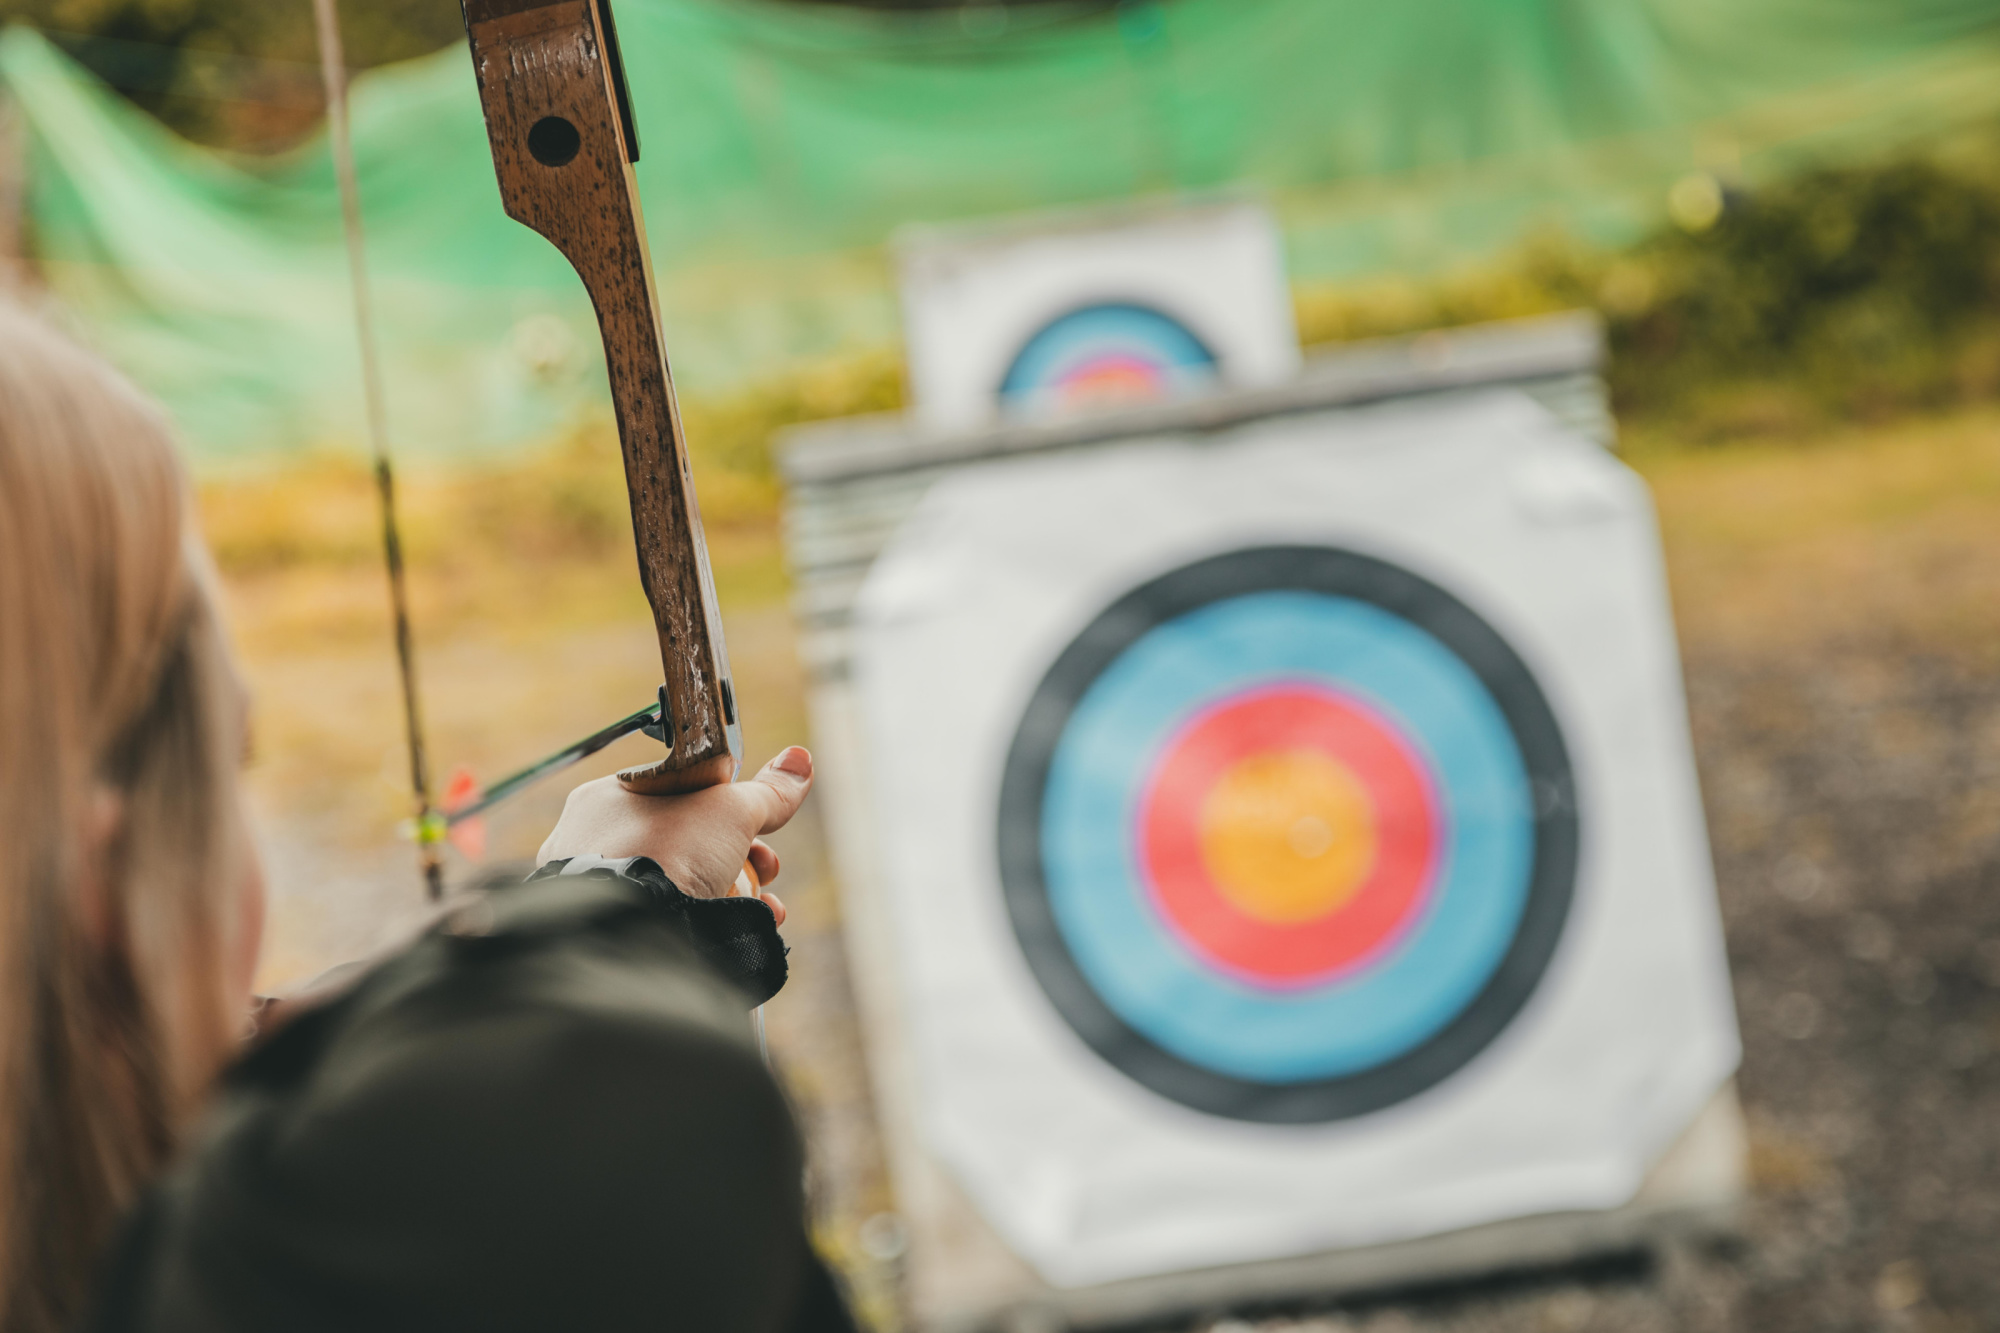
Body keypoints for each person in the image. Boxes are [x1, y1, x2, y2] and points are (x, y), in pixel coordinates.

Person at [0, 302, 856, 1332]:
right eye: (231, 761)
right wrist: (617, 918)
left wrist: (598, 896)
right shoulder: (289, 1256)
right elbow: (620, 1104)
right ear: (104, 865)